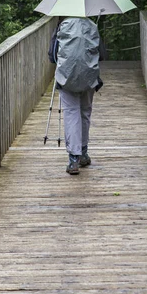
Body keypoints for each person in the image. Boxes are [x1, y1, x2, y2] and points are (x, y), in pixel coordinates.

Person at [48, 16, 105, 175]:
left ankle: (73, 160)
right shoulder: (92, 26)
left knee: (71, 113)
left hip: (66, 78)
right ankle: (84, 154)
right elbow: (101, 55)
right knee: (85, 112)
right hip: (88, 78)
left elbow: (52, 56)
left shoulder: (62, 27)